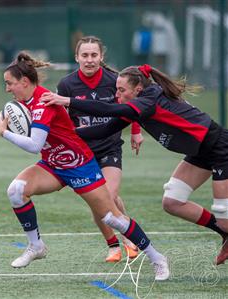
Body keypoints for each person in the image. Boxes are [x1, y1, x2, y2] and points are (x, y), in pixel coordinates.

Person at [0, 52, 169, 281]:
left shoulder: (42, 103)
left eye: (9, 83)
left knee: (113, 218)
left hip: (79, 164)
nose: (7, 89)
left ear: (24, 82)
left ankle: (157, 258)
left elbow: (33, 145)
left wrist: (5, 133)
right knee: (16, 190)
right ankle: (36, 246)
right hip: (53, 164)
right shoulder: (22, 103)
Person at [40, 64, 228, 265]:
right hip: (199, 153)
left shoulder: (149, 99)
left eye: (121, 90)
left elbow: (110, 109)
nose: (117, 94)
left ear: (138, 88)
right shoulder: (138, 106)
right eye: (116, 90)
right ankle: (225, 235)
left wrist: (67, 100)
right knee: (172, 201)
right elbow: (104, 129)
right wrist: (61, 135)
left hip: (220, 149)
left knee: (224, 217)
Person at [57, 36, 144, 262]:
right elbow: (63, 120)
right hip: (83, 152)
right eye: (84, 55)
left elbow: (132, 104)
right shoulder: (66, 85)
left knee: (107, 196)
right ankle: (114, 244)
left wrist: (136, 130)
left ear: (101, 57)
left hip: (110, 147)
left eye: (94, 55)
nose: (89, 60)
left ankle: (127, 237)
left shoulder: (115, 80)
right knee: (101, 200)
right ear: (76, 57)